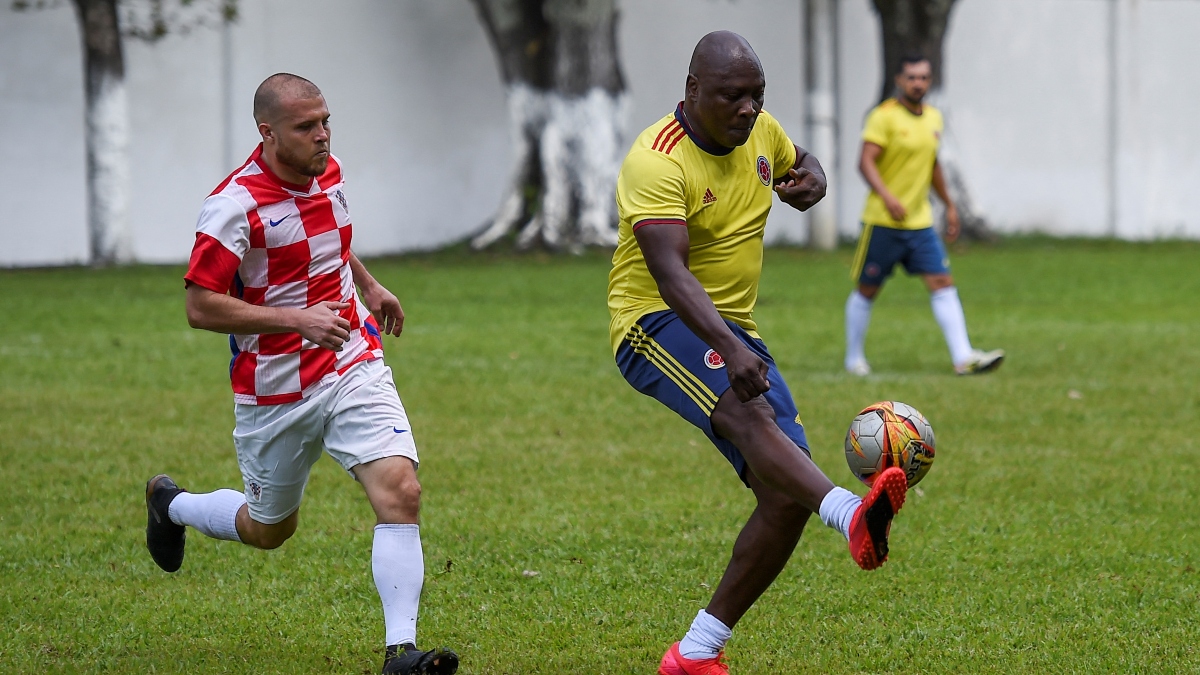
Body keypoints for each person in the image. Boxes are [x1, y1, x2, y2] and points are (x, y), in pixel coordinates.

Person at [608, 32, 909, 675]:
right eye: (731, 97)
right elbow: (671, 276)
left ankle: (697, 651)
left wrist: (815, 180)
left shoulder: (761, 131)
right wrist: (728, 348)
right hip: (656, 325)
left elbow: (804, 159)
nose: (748, 109)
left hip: (733, 330)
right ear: (692, 93)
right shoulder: (656, 161)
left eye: (756, 96)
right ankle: (853, 515)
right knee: (754, 422)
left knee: (783, 493)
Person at [144, 74, 458, 675]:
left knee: (401, 490)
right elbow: (199, 305)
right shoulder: (233, 206)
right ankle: (172, 504)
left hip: (350, 358)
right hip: (273, 390)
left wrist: (367, 285)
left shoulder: (326, 171)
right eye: (305, 127)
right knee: (268, 531)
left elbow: (327, 238)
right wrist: (295, 320)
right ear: (267, 133)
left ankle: (400, 653)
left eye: (325, 121)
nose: (322, 137)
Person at [845, 53, 1004, 376]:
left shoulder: (933, 118)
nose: (918, 84)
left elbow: (931, 166)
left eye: (923, 78)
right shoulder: (883, 117)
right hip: (883, 221)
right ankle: (854, 358)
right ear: (899, 81)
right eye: (912, 78)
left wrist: (949, 204)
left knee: (942, 281)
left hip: (919, 222)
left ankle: (963, 357)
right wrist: (888, 197)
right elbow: (865, 162)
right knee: (868, 288)